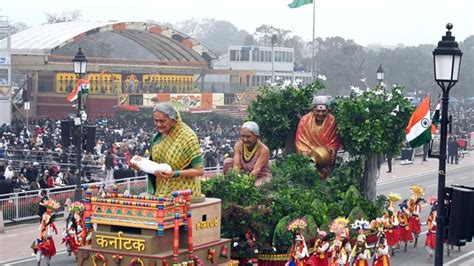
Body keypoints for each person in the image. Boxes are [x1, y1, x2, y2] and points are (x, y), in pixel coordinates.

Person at [134, 103, 204, 198]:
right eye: (156, 121)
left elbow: (199, 171)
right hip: (161, 193)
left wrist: (174, 174)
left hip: (184, 195)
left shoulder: (188, 138)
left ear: (173, 121)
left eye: (162, 121)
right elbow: (155, 165)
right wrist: (140, 164)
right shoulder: (156, 138)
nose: (158, 124)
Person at [295, 96, 341, 179]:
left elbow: (334, 140)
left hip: (326, 160)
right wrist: (307, 154)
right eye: (318, 111)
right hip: (310, 157)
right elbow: (301, 140)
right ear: (312, 110)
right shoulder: (304, 120)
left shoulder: (332, 120)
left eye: (323, 111)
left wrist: (331, 151)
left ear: (328, 110)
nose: (321, 114)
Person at [224, 121, 272, 186]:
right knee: (228, 161)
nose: (245, 139)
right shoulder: (238, 145)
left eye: (248, 136)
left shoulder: (263, 150)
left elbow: (256, 170)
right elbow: (237, 166)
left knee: (255, 186)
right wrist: (236, 181)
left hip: (260, 177)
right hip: (244, 174)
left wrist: (245, 185)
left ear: (257, 137)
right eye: (243, 136)